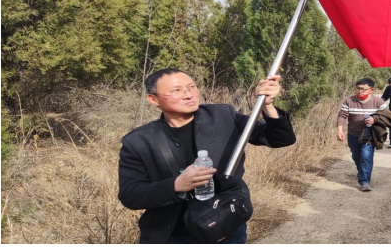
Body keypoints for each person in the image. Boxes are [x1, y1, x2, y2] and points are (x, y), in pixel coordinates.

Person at [118, 68, 295, 244]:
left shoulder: (223, 115)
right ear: (153, 99)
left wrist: (267, 105)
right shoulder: (137, 141)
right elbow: (130, 195)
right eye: (176, 91)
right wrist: (176, 185)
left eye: (191, 87)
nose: (188, 95)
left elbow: (280, 139)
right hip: (172, 236)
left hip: (226, 225)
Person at [336, 78, 391, 191]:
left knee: (366, 157)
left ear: (371, 90)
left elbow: (388, 116)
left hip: (368, 135)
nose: (360, 91)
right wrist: (340, 130)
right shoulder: (349, 101)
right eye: (358, 89)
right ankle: (362, 171)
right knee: (357, 156)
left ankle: (364, 181)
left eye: (363, 89)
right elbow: (342, 115)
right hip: (353, 134)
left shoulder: (378, 102)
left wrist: (374, 120)